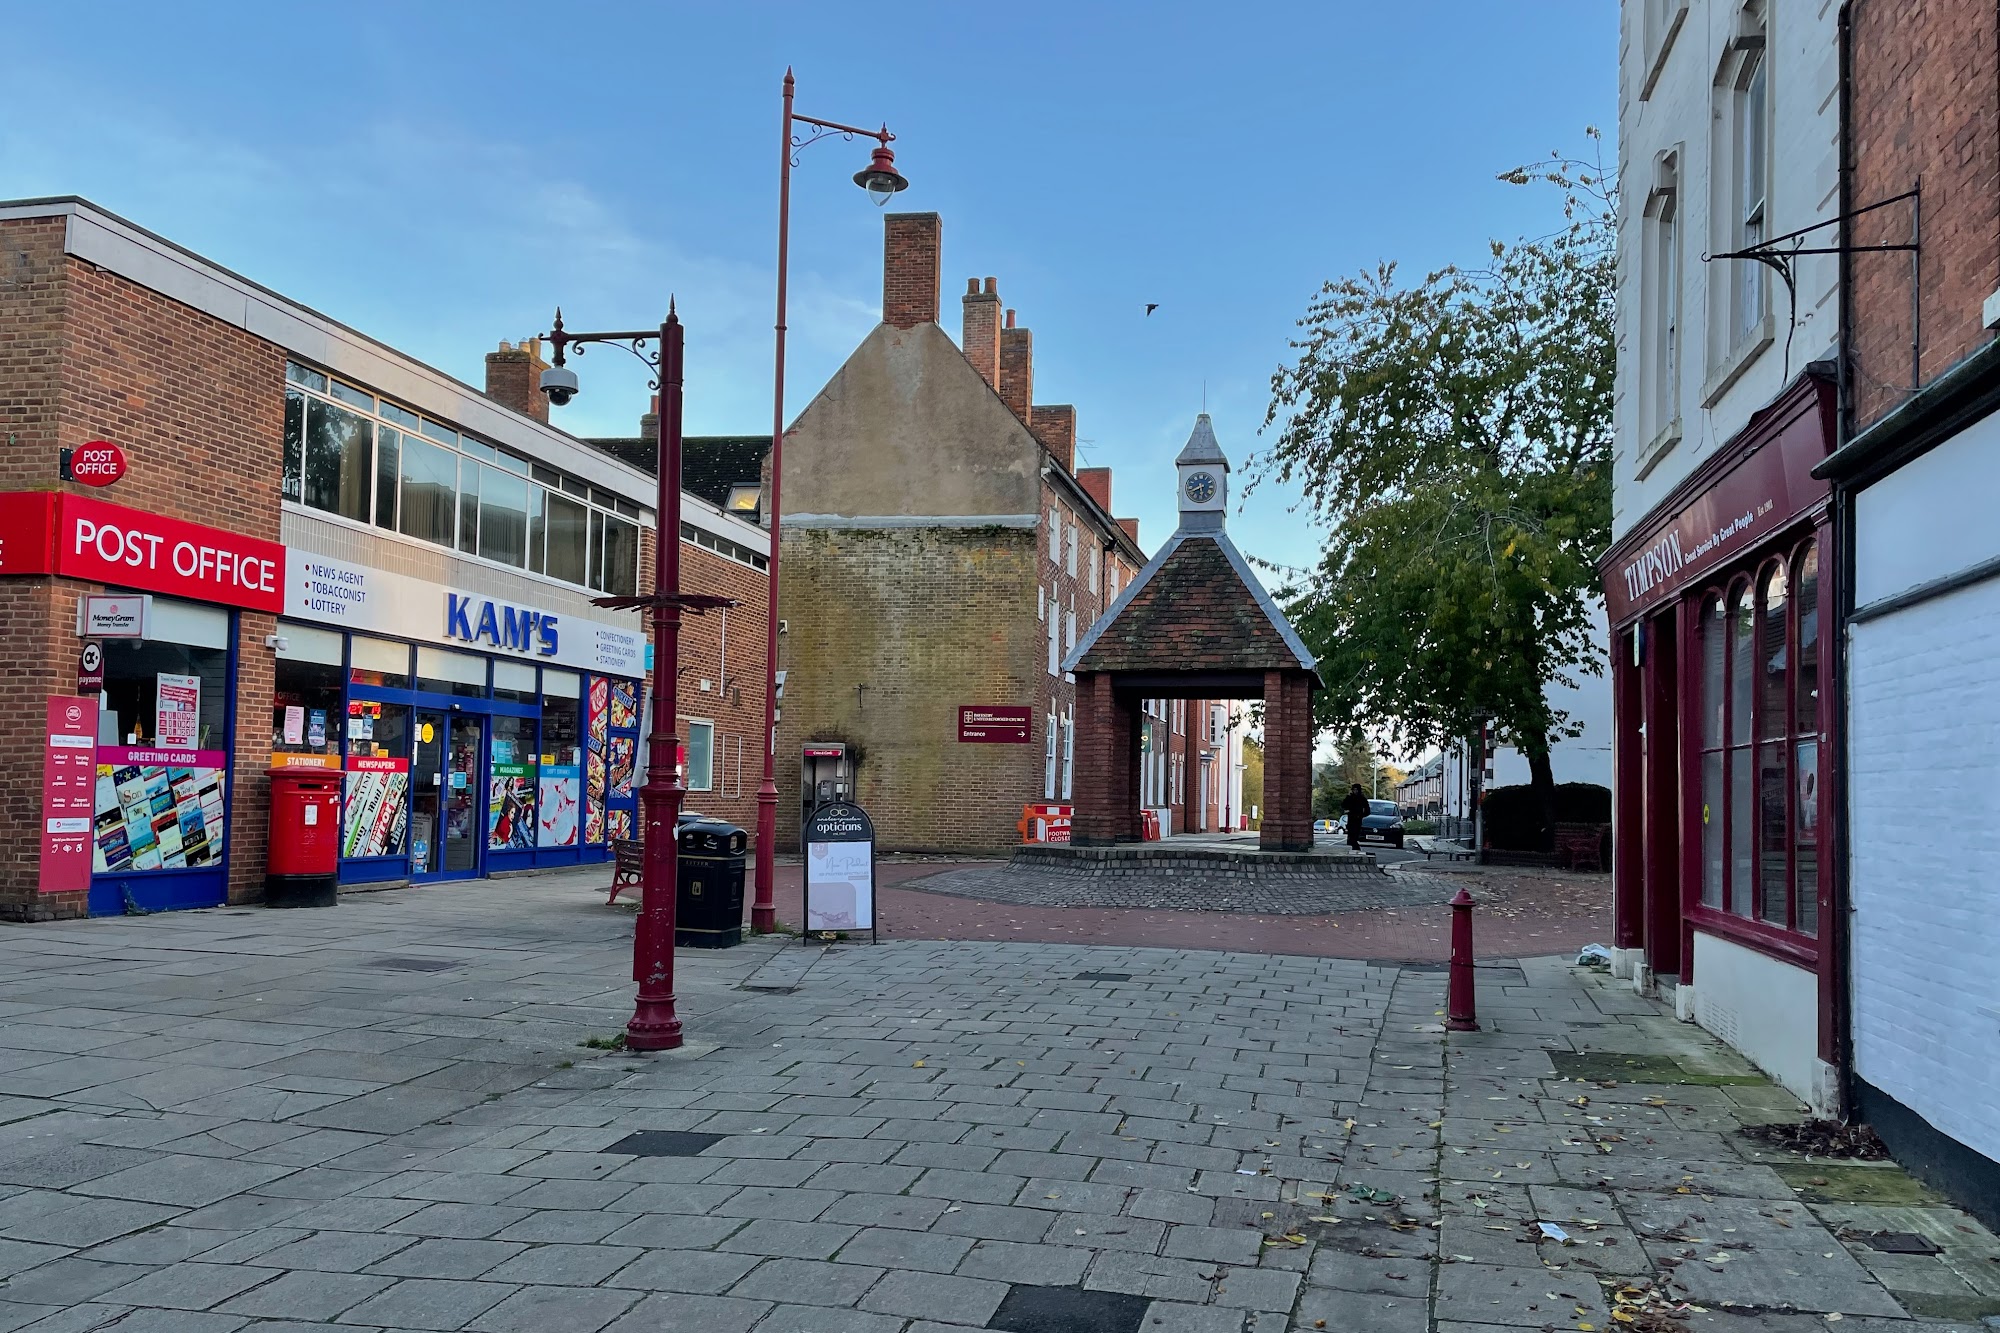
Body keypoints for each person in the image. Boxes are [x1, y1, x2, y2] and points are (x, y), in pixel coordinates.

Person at [1340, 782, 1370, 850]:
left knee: (1355, 836)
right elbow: (1343, 805)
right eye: (1354, 790)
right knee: (1351, 836)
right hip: (1351, 819)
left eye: (1356, 790)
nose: (1355, 791)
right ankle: (1354, 848)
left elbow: (1367, 810)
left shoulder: (1362, 799)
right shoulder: (1350, 798)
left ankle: (1356, 848)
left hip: (1358, 819)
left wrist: (1361, 815)